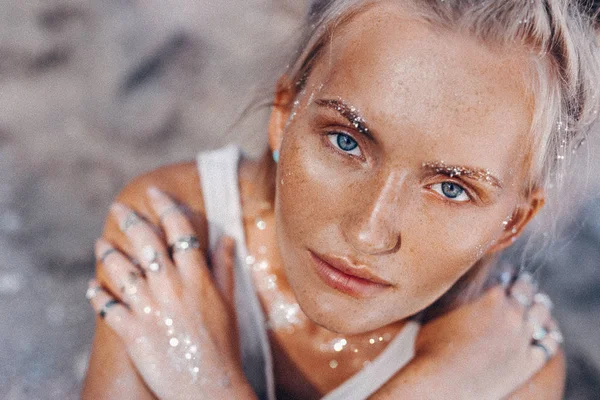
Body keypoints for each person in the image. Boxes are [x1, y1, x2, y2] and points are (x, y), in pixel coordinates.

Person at [82, 0, 600, 398]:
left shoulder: (509, 360)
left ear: (513, 221)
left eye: (451, 188)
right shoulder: (172, 231)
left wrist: (210, 384)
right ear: (284, 116)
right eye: (346, 141)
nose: (368, 233)